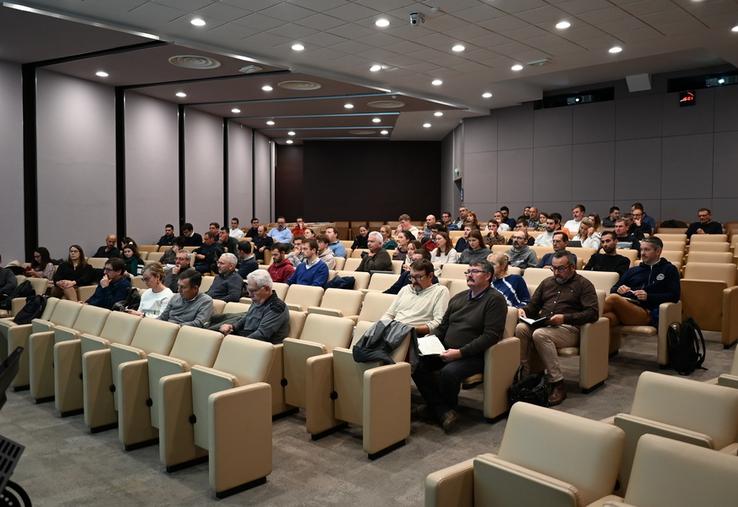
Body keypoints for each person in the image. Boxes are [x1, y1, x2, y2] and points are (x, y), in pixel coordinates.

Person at [412, 260, 507, 432]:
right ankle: (442, 410)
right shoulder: (459, 297)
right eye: (468, 271)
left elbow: (491, 336)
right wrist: (429, 343)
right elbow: (443, 328)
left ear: (488, 276)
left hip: (475, 355)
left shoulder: (495, 300)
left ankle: (440, 408)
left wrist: (460, 353)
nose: (469, 275)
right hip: (445, 349)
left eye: (475, 271)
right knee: (417, 363)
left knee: (449, 372)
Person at [515, 251, 599, 406]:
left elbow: (592, 313)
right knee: (521, 328)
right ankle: (526, 375)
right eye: (553, 268)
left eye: (560, 269)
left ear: (572, 267)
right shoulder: (547, 282)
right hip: (545, 324)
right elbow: (533, 306)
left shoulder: (584, 284)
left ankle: (557, 384)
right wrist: (524, 311)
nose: (556, 273)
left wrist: (565, 318)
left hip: (569, 328)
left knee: (540, 335)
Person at [603, 237, 680, 327]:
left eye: (647, 250)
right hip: (626, 307)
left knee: (613, 298)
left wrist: (648, 296)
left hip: (647, 312)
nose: (642, 253)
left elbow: (674, 296)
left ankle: (587, 312)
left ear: (658, 251)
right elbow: (613, 289)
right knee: (605, 319)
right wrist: (619, 289)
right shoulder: (633, 270)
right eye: (641, 250)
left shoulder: (669, 269)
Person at [381, 259, 449, 336]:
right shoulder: (405, 289)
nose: (414, 281)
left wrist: (412, 330)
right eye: (411, 277)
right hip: (394, 331)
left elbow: (438, 322)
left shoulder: (440, 291)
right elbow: (389, 314)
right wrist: (384, 326)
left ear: (430, 276)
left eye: (418, 277)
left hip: (415, 335)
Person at [219, 270, 290, 344]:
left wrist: (238, 342)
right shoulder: (258, 299)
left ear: (267, 289)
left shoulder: (277, 307)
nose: (250, 295)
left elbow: (262, 334)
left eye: (253, 291)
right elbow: (247, 318)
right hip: (247, 339)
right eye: (249, 290)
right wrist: (232, 327)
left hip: (260, 347)